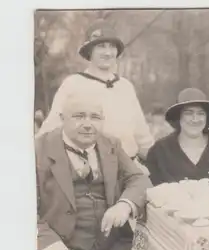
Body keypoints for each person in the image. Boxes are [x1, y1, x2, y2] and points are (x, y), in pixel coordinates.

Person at [36, 93, 159, 250]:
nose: (88, 123)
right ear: (62, 118)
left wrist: (124, 204)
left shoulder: (110, 144)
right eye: (78, 116)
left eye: (95, 117)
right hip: (56, 247)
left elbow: (138, 179)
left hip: (106, 246)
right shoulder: (37, 150)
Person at [36, 20, 154, 173]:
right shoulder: (74, 83)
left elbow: (142, 135)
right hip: (91, 173)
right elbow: (49, 130)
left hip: (128, 168)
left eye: (112, 47)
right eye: (101, 46)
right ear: (89, 51)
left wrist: (158, 160)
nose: (107, 52)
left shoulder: (125, 86)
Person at [145, 88, 209, 185]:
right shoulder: (160, 151)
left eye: (200, 113)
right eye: (188, 113)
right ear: (178, 116)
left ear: (206, 117)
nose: (195, 119)